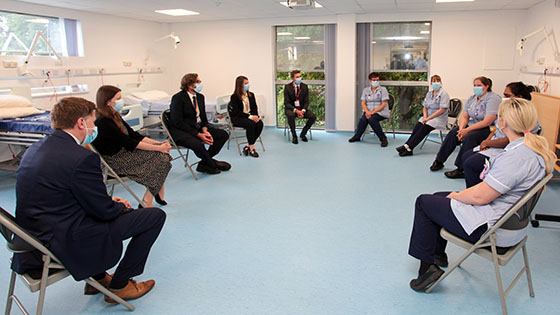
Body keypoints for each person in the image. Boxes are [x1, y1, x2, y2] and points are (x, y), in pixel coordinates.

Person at [12, 97, 166, 303]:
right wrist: (117, 205)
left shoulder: (34, 149)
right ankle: (121, 286)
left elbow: (60, 193)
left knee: (116, 209)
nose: (95, 128)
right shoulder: (81, 157)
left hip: (34, 234)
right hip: (64, 239)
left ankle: (100, 278)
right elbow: (104, 211)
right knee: (154, 216)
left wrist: (107, 200)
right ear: (81, 123)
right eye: (93, 122)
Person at [407, 98, 556, 292]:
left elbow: (481, 197)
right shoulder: (533, 152)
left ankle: (427, 269)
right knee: (437, 196)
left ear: (503, 122)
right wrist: (455, 195)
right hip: (511, 223)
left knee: (423, 202)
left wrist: (455, 195)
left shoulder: (515, 158)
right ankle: (437, 255)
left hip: (494, 230)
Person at [93, 85, 172, 208]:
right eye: (118, 98)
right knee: (162, 158)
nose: (121, 101)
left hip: (124, 152)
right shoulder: (103, 121)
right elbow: (129, 142)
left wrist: (159, 144)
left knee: (163, 156)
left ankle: (153, 193)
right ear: (108, 102)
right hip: (115, 159)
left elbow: (134, 135)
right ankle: (148, 199)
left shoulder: (115, 115)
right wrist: (159, 148)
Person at [462, 82, 537, 187]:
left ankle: (478, 189)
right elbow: (495, 130)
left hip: (502, 149)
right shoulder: (508, 112)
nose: (504, 98)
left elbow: (508, 140)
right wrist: (485, 143)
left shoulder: (524, 117)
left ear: (519, 97)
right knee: (466, 155)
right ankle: (477, 186)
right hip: (494, 144)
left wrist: (488, 143)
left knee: (471, 163)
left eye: (507, 95)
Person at [429, 76, 501, 178]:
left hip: (487, 129)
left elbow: (487, 121)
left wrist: (466, 131)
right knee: (453, 133)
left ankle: (461, 169)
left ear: (486, 86)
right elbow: (465, 116)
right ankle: (439, 160)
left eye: (479, 85)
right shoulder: (472, 99)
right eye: (475, 85)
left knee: (470, 137)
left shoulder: (493, 98)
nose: (476, 87)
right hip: (471, 125)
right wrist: (461, 129)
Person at [169, 73, 231, 174]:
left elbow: (203, 119)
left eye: (200, 82)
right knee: (197, 144)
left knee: (223, 135)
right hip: (181, 130)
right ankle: (211, 163)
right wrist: (198, 135)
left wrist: (205, 131)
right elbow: (178, 122)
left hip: (197, 127)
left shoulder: (200, 97)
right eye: (197, 82)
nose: (200, 84)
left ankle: (204, 163)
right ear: (189, 85)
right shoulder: (178, 98)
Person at [396, 75, 449, 156]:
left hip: (438, 118)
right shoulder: (429, 94)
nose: (436, 83)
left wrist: (428, 118)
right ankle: (407, 146)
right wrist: (425, 117)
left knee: (424, 129)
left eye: (437, 81)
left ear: (440, 82)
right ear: (431, 83)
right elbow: (425, 107)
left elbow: (442, 110)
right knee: (417, 127)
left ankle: (409, 147)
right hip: (428, 117)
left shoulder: (444, 94)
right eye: (434, 81)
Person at [348, 72, 390, 147]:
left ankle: (383, 139)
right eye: (374, 80)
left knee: (372, 119)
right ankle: (357, 137)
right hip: (368, 112)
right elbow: (363, 103)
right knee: (363, 119)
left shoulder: (383, 90)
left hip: (380, 112)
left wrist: (372, 112)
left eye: (377, 80)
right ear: (370, 81)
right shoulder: (366, 90)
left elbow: (384, 104)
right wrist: (367, 112)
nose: (376, 82)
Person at [228, 75, 264, 158]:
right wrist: (250, 117)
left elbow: (254, 107)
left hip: (249, 117)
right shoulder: (234, 97)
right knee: (251, 124)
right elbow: (237, 112)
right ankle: (252, 148)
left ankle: (247, 146)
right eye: (246, 83)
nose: (248, 85)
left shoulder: (251, 95)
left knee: (260, 124)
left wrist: (256, 116)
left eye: (248, 83)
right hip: (238, 118)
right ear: (240, 85)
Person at [284, 69, 316, 144]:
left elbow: (306, 101)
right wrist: (296, 111)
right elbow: (287, 103)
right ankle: (294, 136)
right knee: (291, 116)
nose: (299, 78)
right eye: (297, 77)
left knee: (313, 117)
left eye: (300, 76)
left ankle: (303, 134)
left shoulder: (304, 87)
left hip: (302, 109)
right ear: (292, 78)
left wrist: (303, 111)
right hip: (291, 109)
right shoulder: (287, 87)